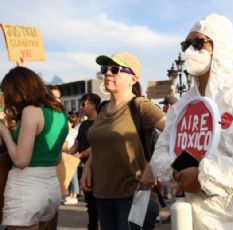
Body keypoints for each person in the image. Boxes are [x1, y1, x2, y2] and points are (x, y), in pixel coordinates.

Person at [142, 14, 233, 229]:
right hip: (193, 217)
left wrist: (204, 175)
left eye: (199, 43)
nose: (190, 50)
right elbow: (161, 152)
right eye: (186, 44)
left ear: (221, 45)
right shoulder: (183, 105)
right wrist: (178, 173)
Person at [80, 51, 166, 230]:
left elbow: (175, 131)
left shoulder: (140, 105)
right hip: (102, 195)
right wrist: (88, 167)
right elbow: (100, 145)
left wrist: (154, 164)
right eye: (105, 69)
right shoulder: (103, 108)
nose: (108, 73)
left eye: (115, 69)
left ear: (133, 79)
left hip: (135, 195)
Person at [0, 67, 68, 229]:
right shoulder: (59, 113)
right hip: (51, 185)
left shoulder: (31, 112)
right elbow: (57, 157)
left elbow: (21, 161)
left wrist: (4, 132)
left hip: (27, 186)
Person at [69, 93, 101, 230]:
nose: (81, 107)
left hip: (98, 168)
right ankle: (92, 226)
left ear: (93, 105)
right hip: (84, 166)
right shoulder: (83, 125)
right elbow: (77, 143)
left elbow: (97, 146)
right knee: (90, 203)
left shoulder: (101, 123)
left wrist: (80, 155)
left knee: (99, 202)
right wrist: (67, 153)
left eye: (83, 104)